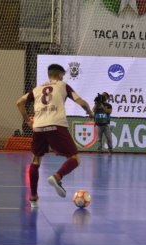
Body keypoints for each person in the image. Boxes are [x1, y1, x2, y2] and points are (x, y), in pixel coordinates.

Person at [17, 64, 94, 208]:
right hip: (56, 125)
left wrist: (28, 121)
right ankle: (57, 176)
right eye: (63, 76)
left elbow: (19, 102)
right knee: (75, 159)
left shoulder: (37, 89)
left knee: (36, 161)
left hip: (38, 127)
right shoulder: (63, 85)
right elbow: (82, 102)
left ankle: (33, 198)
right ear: (60, 75)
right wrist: (90, 113)